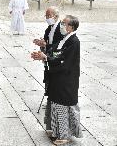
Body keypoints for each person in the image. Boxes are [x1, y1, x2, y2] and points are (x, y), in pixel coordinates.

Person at [31, 15, 82, 145]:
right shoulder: (65, 38)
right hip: (58, 77)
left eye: (64, 24)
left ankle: (64, 135)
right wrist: (45, 53)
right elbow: (55, 50)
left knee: (62, 106)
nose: (61, 25)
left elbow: (64, 58)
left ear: (71, 27)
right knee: (54, 103)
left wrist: (47, 58)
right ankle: (54, 129)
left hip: (66, 79)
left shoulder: (74, 41)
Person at [33, 6, 64, 138]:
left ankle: (53, 98)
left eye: (48, 15)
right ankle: (49, 97)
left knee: (54, 80)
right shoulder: (49, 28)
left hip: (55, 60)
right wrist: (42, 44)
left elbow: (59, 45)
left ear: (56, 16)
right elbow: (46, 42)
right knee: (47, 79)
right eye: (46, 15)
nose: (47, 18)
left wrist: (46, 46)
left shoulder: (61, 28)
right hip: (48, 59)